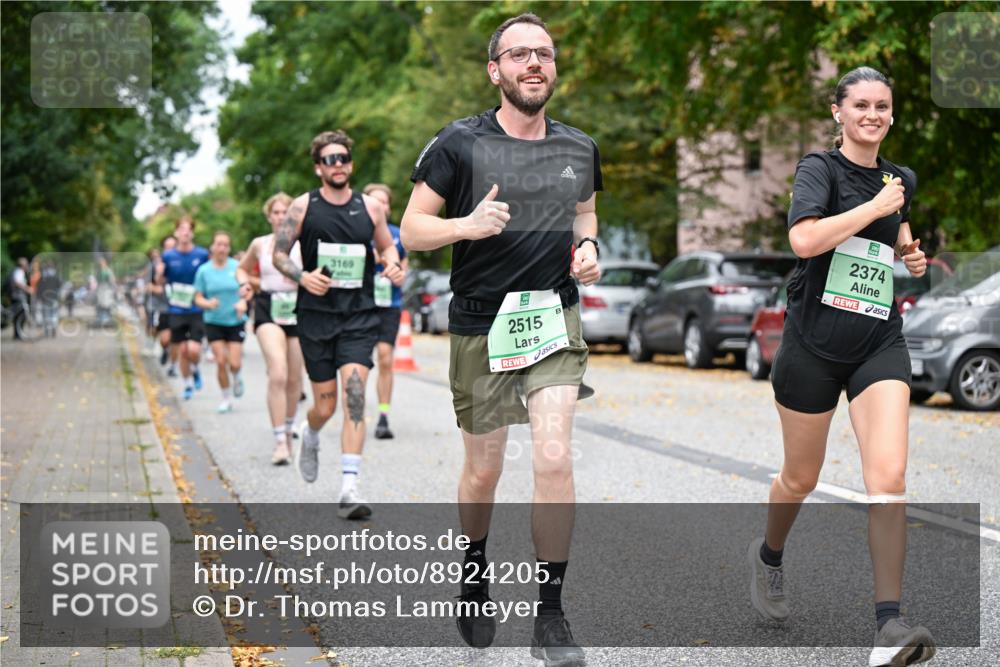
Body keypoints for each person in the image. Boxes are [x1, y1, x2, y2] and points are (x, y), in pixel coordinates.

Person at [400, 14, 601, 665]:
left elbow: (586, 212)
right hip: (481, 322)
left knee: (554, 457)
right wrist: (467, 225)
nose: (533, 63)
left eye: (543, 53)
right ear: (495, 70)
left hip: (552, 317)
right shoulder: (459, 143)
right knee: (484, 470)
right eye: (519, 54)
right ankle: (474, 567)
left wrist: (589, 248)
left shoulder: (578, 146)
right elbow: (411, 230)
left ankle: (551, 616)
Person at [748, 66, 936, 667]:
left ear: (891, 114)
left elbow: (896, 233)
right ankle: (769, 556)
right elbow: (804, 241)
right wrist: (875, 205)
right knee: (799, 478)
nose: (872, 115)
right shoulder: (819, 170)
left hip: (878, 341)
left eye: (882, 106)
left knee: (889, 477)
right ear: (839, 112)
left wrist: (909, 253)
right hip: (812, 345)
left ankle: (889, 625)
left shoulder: (899, 179)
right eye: (861, 105)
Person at [272, 130, 405, 519]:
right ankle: (310, 432)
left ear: (351, 163)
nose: (338, 164)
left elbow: (387, 246)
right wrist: (302, 276)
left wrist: (392, 264)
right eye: (330, 159)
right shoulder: (302, 207)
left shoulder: (371, 207)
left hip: (359, 316)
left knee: (354, 396)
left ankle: (349, 489)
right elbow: (279, 254)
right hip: (316, 316)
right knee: (325, 406)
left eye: (343, 158)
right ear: (318, 167)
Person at [237, 192, 305, 465]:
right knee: (278, 372)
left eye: (285, 212)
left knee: (294, 379)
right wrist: (244, 284)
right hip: (268, 308)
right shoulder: (260, 244)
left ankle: (288, 430)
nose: (280, 217)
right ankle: (279, 441)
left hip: (298, 308)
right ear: (269, 216)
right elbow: (241, 269)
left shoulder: (304, 242)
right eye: (275, 212)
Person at [363, 183, 410, 440]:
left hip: (389, 304)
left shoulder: (397, 236)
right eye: (375, 200)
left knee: (384, 358)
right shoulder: (356, 232)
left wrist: (397, 273)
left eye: (384, 201)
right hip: (360, 306)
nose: (381, 205)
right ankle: (355, 413)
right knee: (359, 362)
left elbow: (403, 273)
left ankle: (383, 416)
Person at [194, 231, 248, 413]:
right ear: (212, 247)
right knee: (220, 361)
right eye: (219, 244)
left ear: (229, 248)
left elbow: (247, 290)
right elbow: (197, 297)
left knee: (235, 363)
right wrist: (207, 303)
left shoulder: (237, 267)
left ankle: (237, 376)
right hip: (214, 321)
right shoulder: (204, 270)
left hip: (235, 320)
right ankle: (226, 398)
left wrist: (243, 302)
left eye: (225, 245)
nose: (222, 248)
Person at [157, 216, 210, 400]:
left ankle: (195, 368)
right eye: (181, 229)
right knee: (182, 350)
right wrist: (159, 274)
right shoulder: (168, 256)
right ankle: (187, 384)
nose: (185, 233)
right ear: (176, 233)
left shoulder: (202, 254)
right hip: (176, 309)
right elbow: (160, 282)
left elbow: (208, 276)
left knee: (193, 349)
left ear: (192, 233)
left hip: (196, 308)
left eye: (188, 229)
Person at [10, 257, 32, 340]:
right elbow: (18, 282)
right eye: (26, 264)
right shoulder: (19, 272)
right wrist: (27, 289)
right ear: (23, 265)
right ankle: (18, 334)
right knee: (20, 315)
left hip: (16, 295)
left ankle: (17, 334)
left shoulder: (17, 271)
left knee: (18, 315)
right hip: (18, 296)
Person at [37, 261, 61, 338]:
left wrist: (39, 298)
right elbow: (59, 287)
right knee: (54, 314)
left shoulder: (42, 278)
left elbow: (39, 289)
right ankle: (53, 328)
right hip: (54, 298)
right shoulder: (56, 277)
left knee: (46, 315)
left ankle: (47, 330)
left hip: (45, 299)